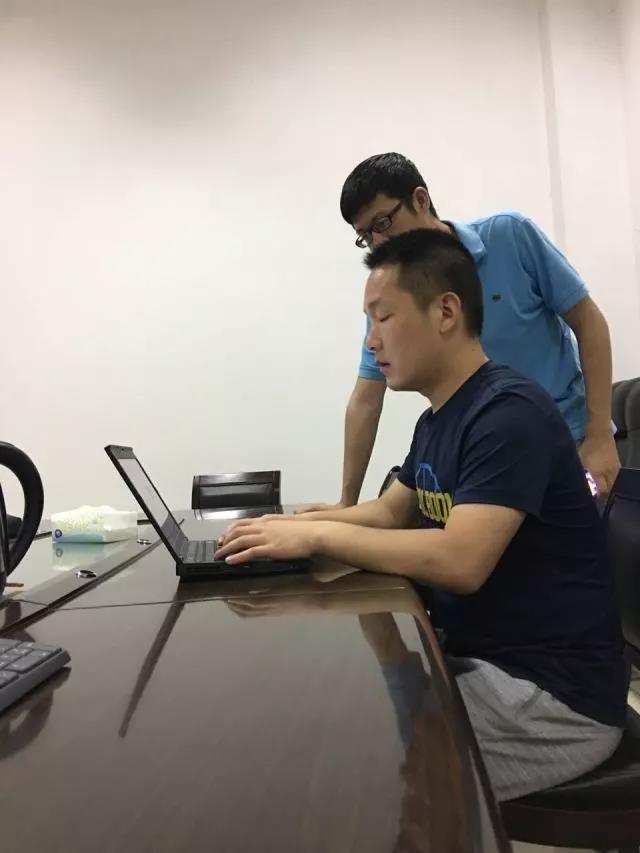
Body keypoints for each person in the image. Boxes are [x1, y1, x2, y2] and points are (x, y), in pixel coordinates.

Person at [215, 229, 628, 801]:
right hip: (488, 665)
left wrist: (318, 537)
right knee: (325, 718)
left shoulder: (509, 414)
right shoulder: (438, 419)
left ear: (446, 312)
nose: (371, 341)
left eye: (383, 317)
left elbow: (461, 561)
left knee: (337, 763)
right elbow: (391, 512)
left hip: (552, 700)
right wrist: (290, 527)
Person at [305, 153, 619, 509]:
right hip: (488, 460)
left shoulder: (509, 236)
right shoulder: (392, 292)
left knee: (580, 536)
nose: (379, 242)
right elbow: (366, 399)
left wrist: (598, 436)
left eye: (382, 223)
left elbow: (589, 323)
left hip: (569, 446)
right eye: (365, 235)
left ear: (420, 200)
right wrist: (346, 501)